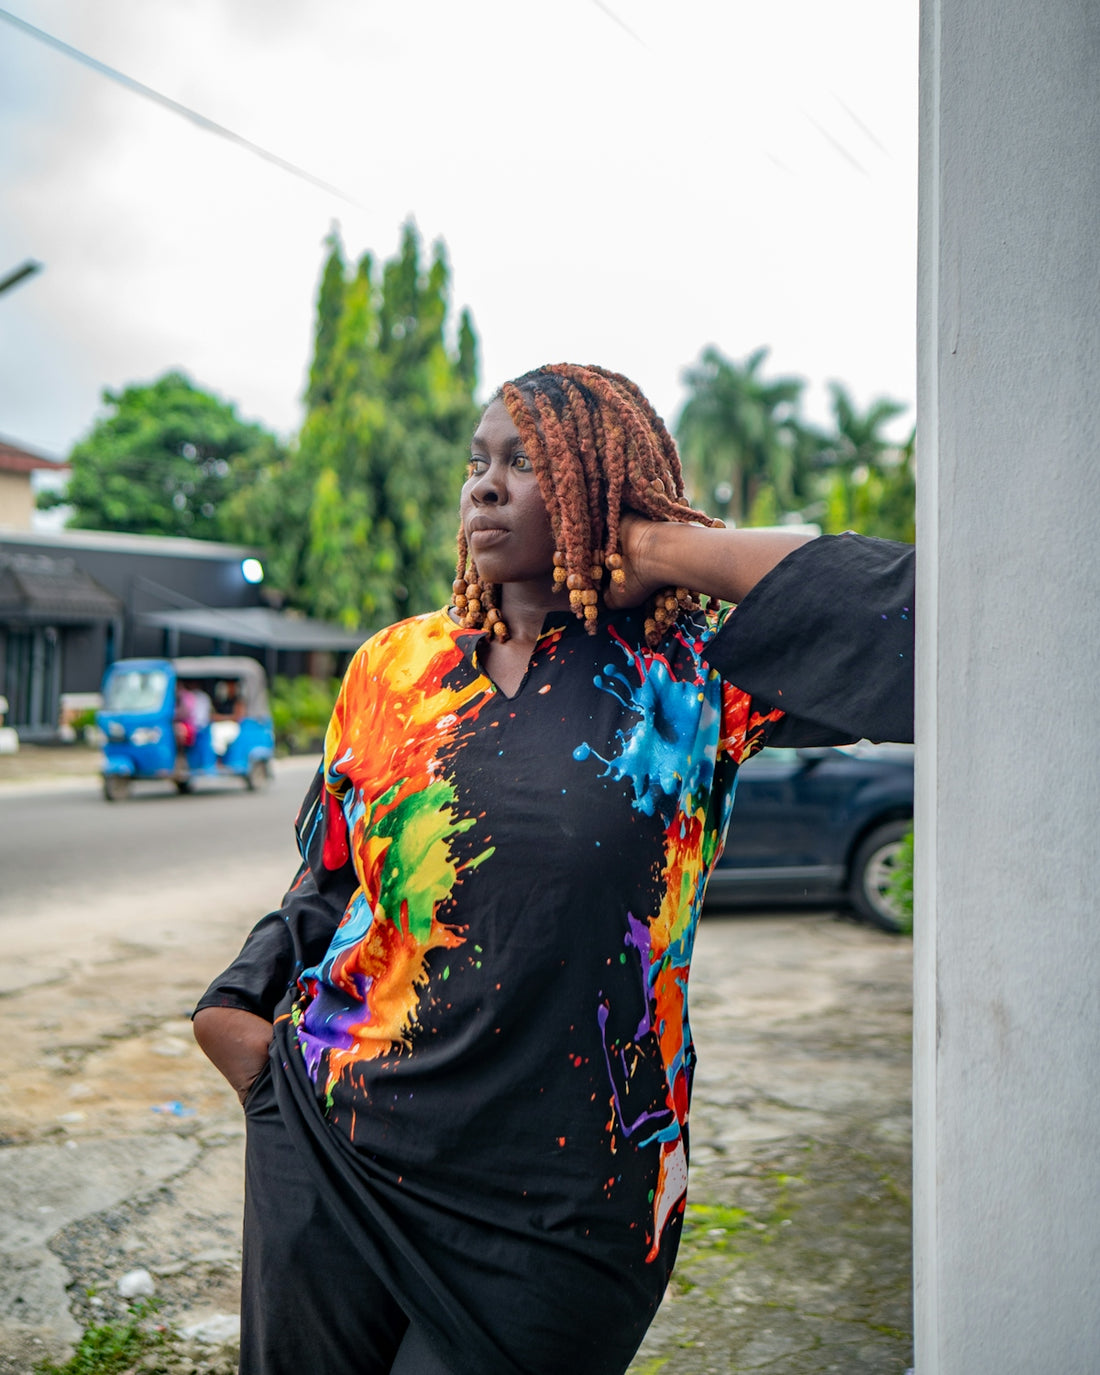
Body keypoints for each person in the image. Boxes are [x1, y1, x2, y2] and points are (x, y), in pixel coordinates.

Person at [193, 364, 914, 1375]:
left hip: (572, 1199)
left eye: (525, 462)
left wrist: (659, 548)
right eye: (476, 461)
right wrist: (238, 1024)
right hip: (342, 1150)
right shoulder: (390, 669)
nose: (482, 486)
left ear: (601, 488)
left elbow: (927, 629)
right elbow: (327, 880)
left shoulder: (696, 672)